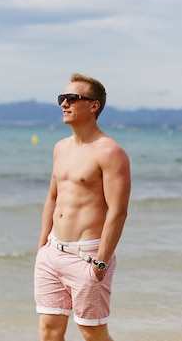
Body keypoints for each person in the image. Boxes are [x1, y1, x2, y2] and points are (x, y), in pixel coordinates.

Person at [34, 73, 131, 341]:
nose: (64, 104)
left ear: (93, 105)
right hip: (52, 254)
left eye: (72, 98)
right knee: (49, 331)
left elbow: (118, 211)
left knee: (92, 334)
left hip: (87, 256)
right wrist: (42, 248)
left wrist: (100, 262)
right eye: (62, 99)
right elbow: (52, 198)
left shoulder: (110, 152)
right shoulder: (60, 148)